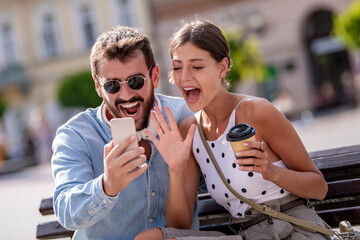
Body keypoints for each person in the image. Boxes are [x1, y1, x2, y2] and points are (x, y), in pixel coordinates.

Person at [136, 19, 330, 240]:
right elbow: (179, 225)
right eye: (178, 67)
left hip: (290, 229)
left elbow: (319, 188)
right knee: (151, 237)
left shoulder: (257, 112)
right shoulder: (189, 130)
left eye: (197, 66)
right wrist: (176, 168)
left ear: (222, 67)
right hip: (248, 234)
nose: (184, 77)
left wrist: (271, 172)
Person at [51, 26, 200, 240]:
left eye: (136, 81)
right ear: (98, 88)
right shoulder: (75, 135)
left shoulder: (183, 116)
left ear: (155, 76)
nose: (126, 94)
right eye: (112, 86)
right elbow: (66, 211)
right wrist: (107, 187)